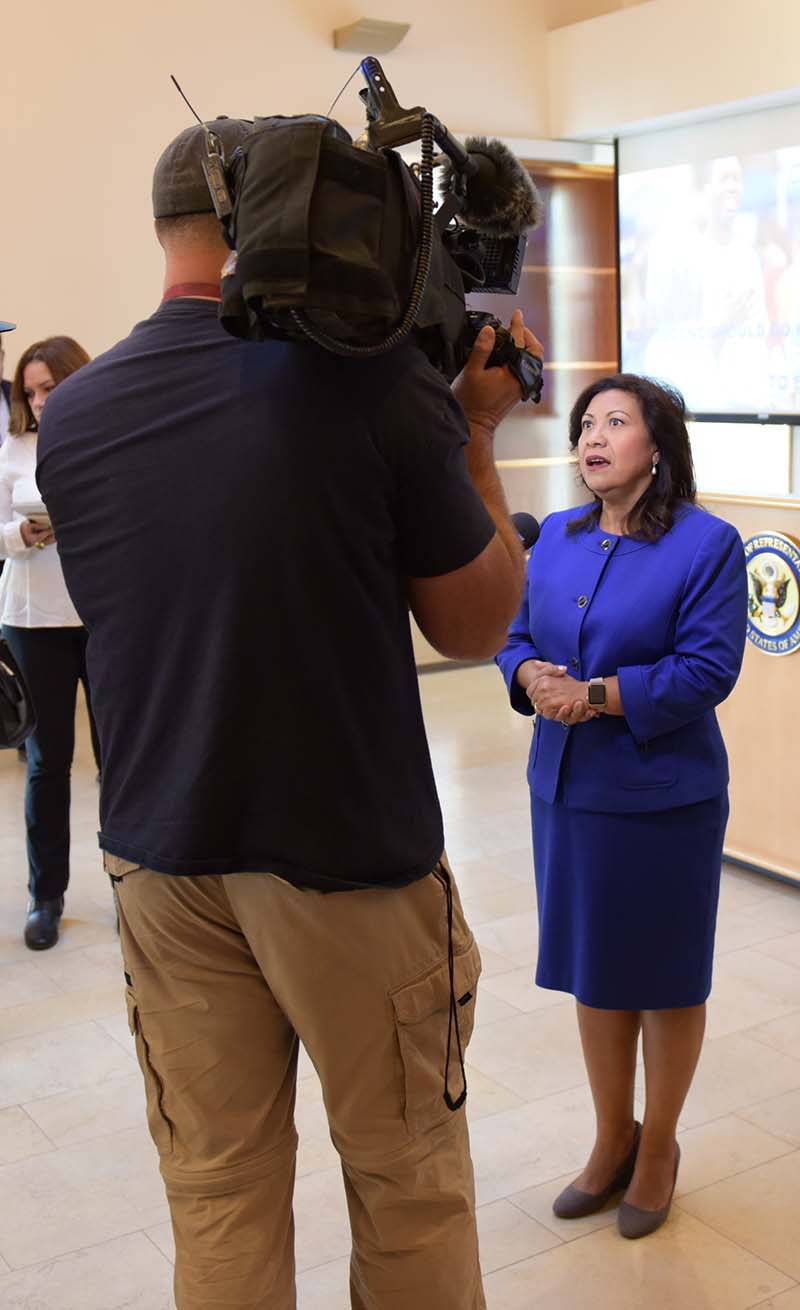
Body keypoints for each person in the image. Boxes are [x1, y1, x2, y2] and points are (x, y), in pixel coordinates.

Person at [35, 116, 541, 1310]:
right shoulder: (366, 381)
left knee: (217, 1191)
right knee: (405, 1178)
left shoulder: (76, 415)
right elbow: (473, 626)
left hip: (160, 857)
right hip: (348, 865)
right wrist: (467, 425)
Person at [496, 374, 747, 1240]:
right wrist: (529, 676)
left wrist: (598, 694)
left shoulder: (707, 544)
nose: (592, 438)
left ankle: (660, 1147)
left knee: (665, 981)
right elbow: (514, 632)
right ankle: (611, 1140)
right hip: (565, 790)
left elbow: (708, 670)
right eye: (585, 425)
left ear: (657, 446)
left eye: (614, 422)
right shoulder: (557, 536)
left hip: (663, 798)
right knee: (596, 973)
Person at [0, 334, 102, 950]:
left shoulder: (104, 437)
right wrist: (23, 535)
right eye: (31, 391)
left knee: (120, 762)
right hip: (33, 619)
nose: (39, 401)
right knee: (47, 766)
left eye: (50, 388)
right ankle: (47, 897)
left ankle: (131, 883)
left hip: (100, 614)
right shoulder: (9, 448)